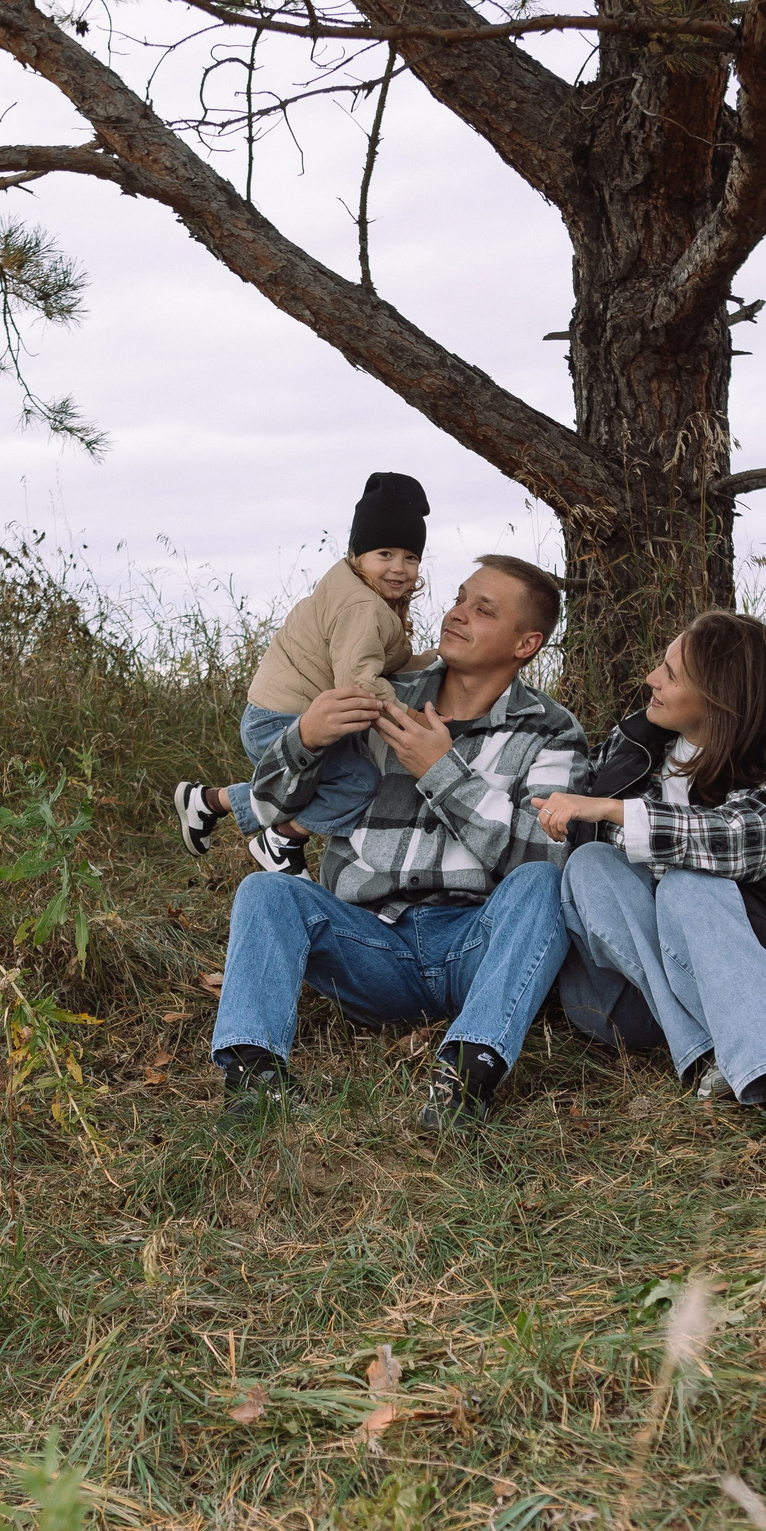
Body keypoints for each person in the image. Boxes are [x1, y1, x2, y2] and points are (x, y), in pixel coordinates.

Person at [208, 556, 583, 1133]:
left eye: (483, 610)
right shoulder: (377, 698)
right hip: (367, 944)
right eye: (459, 598)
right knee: (266, 891)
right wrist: (302, 739)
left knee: (544, 883)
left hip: (474, 949)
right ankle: (255, 1080)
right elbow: (272, 805)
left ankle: (465, 1078)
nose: (456, 614)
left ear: (526, 643)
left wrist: (443, 772)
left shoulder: (550, 731)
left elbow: (541, 855)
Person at [531, 611, 766, 1132]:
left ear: (721, 700)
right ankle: (713, 1049)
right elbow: (567, 809)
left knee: (689, 882)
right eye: (660, 666)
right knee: (590, 863)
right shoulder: (638, 744)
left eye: (671, 674)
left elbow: (737, 843)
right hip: (637, 981)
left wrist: (612, 812)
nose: (651, 680)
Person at [172, 473, 435, 875]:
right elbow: (360, 684)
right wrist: (411, 721)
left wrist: (428, 661)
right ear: (358, 554)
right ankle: (283, 840)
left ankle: (208, 802)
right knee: (355, 783)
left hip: (275, 711)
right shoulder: (361, 608)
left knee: (306, 786)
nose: (399, 568)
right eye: (385, 553)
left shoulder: (356, 590)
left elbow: (373, 660)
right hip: (282, 720)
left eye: (410, 557)